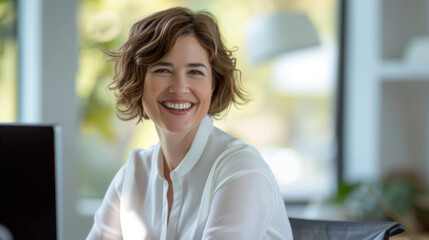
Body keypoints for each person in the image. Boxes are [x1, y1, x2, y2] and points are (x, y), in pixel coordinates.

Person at [87, 7, 293, 240]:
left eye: (195, 72)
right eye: (163, 70)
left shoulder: (241, 168)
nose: (179, 87)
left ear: (213, 84)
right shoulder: (133, 174)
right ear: (138, 82)